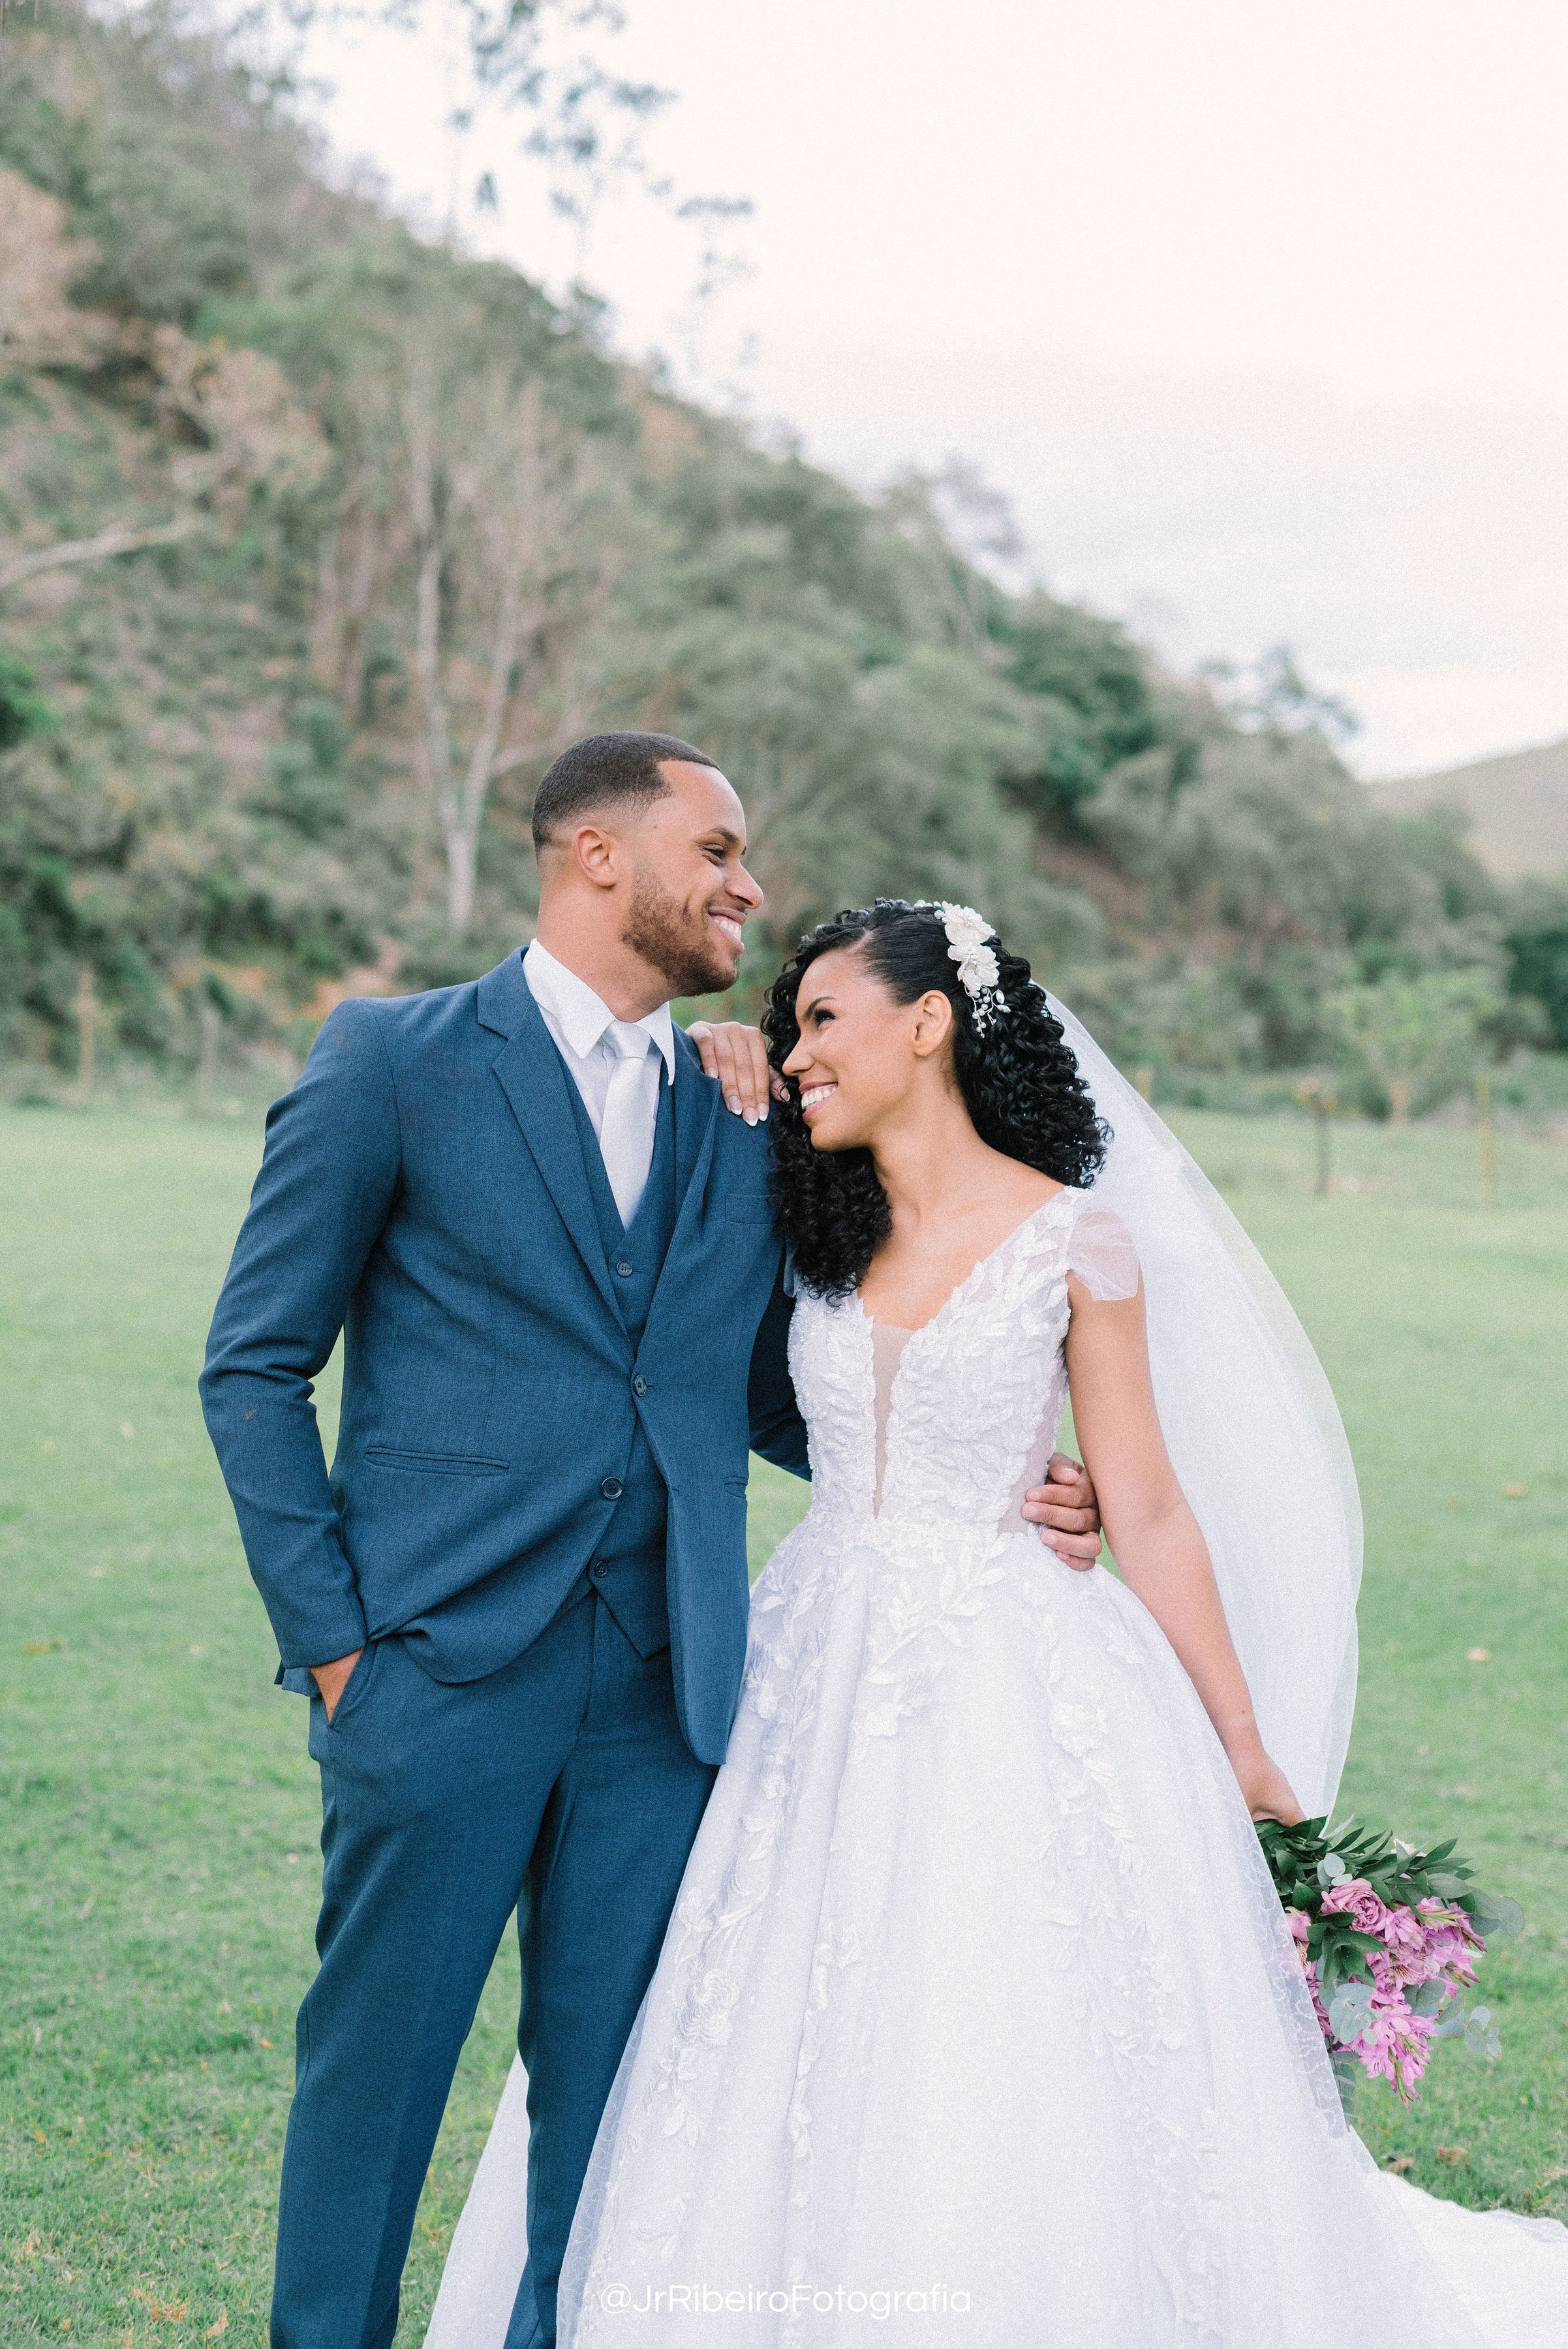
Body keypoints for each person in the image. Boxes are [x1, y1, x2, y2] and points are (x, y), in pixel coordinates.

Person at [431, 897, 1567, 2346]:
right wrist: (718, 1045)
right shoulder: (797, 1206)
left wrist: (1240, 1745)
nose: (797, 1056)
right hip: (806, 1663)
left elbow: (1144, 1505)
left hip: (1014, 1672)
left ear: (930, 1020)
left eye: (823, 1020)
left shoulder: (1076, 1243)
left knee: (999, 2009)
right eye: (786, 1030)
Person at [199, 744, 1101, 2349]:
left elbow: (748, 1386)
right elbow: (256, 1365)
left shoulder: (738, 1100)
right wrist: (338, 1648)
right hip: (431, 1679)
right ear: (596, 853)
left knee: (619, 2122)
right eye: (720, 847)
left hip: (670, 1701)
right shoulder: (392, 1062)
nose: (747, 885)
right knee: (375, 2089)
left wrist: (980, 1477)